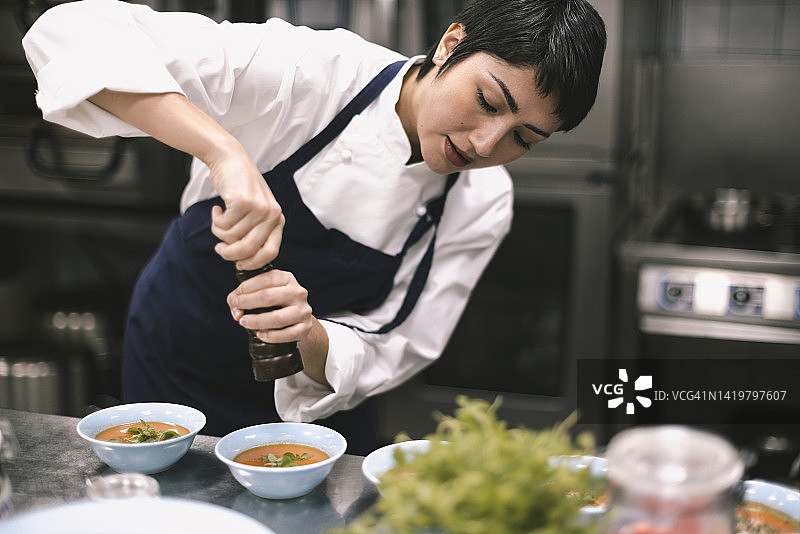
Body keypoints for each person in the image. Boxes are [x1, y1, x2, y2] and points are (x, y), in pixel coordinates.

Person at [23, 0, 606, 454]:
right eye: (485, 100)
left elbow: (402, 341)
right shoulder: (314, 72)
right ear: (451, 45)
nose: (485, 143)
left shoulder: (482, 201)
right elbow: (72, 31)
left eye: (523, 138)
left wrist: (307, 337)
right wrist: (225, 152)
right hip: (179, 359)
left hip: (317, 411)